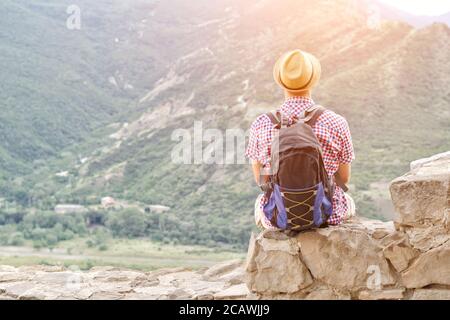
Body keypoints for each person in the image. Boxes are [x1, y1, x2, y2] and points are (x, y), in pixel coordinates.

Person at [245, 49, 356, 230]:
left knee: (261, 201)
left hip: (278, 216)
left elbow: (261, 180)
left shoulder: (261, 123)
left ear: (282, 83)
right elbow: (343, 178)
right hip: (327, 213)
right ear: (313, 80)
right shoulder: (336, 122)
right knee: (347, 199)